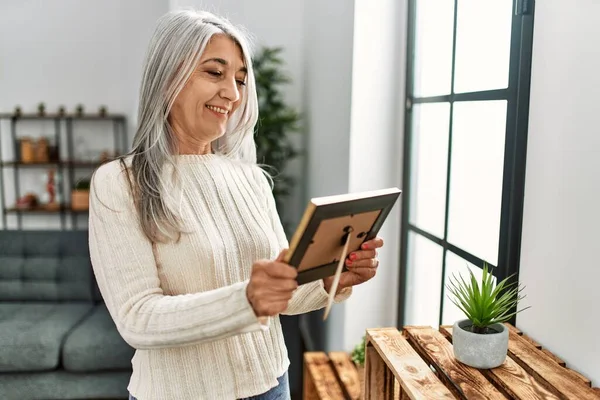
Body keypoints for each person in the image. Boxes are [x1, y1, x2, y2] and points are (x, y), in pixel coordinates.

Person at [89, 9, 384, 400]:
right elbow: (136, 319)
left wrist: (330, 281)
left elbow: (284, 290)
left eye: (240, 79)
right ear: (166, 80)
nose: (233, 92)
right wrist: (245, 300)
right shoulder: (119, 183)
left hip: (272, 385)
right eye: (215, 72)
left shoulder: (252, 179)